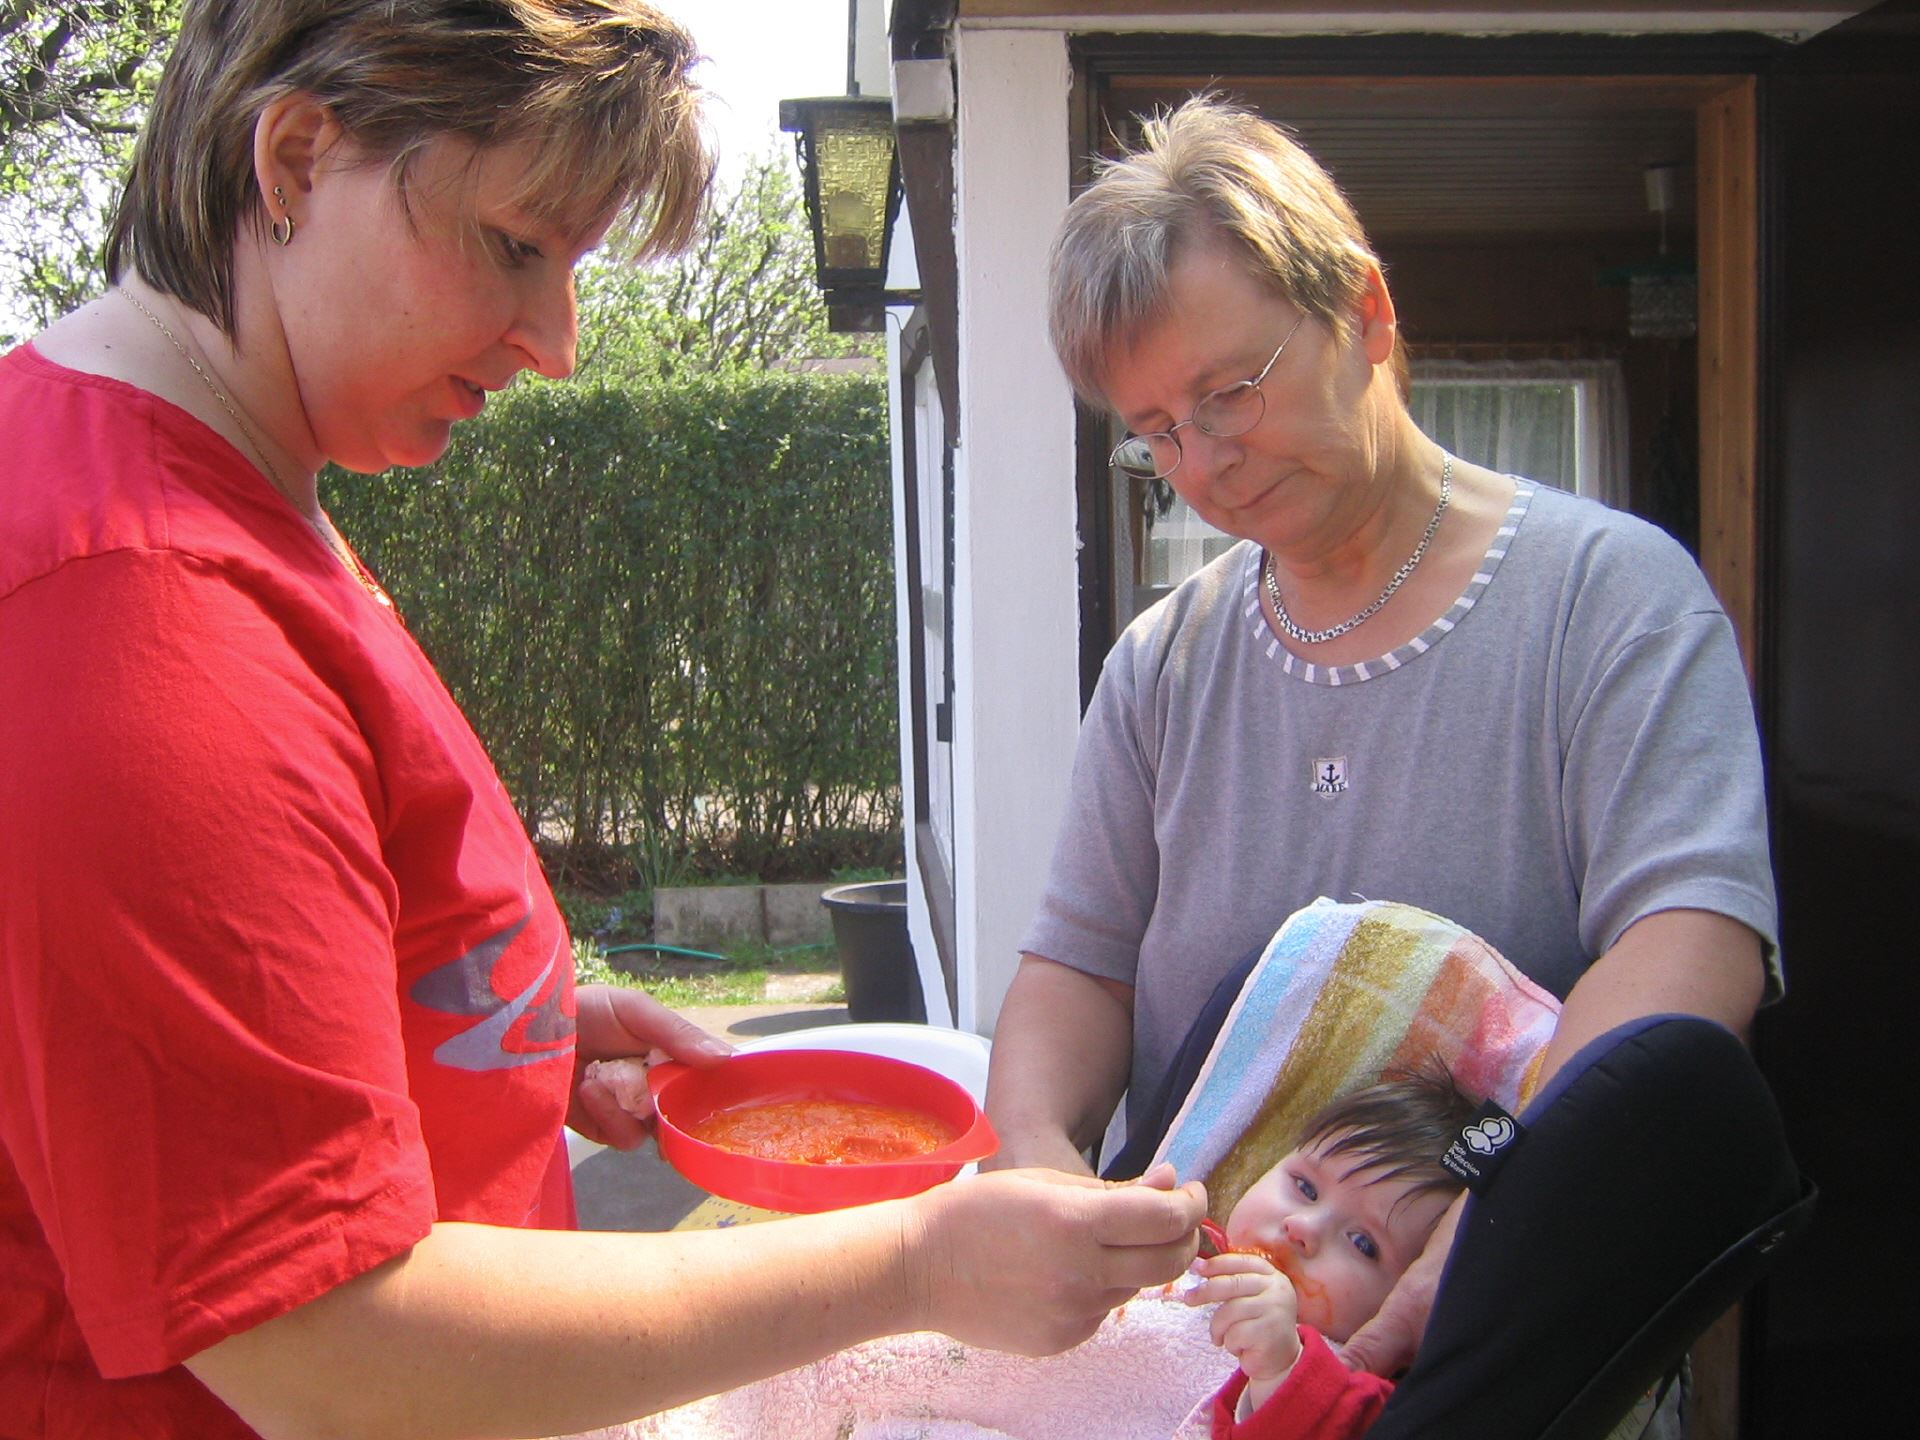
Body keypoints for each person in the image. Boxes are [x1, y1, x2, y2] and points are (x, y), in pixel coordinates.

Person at [0, 6, 1207, 1439]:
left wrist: (493, 1035)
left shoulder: (234, 492)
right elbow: (327, 1352)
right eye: (518, 245)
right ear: (298, 159)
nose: (560, 345)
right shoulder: (134, 606)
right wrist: (915, 1265)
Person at [982, 92, 1778, 1380]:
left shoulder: (1610, 601)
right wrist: (1039, 1164)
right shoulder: (1165, 664)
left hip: (1507, 1355)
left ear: (1364, 312)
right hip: (1193, 1356)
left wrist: (1489, 1223)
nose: (1205, 464)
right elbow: (1079, 967)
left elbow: (1691, 947)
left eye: (1229, 394)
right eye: (1158, 433)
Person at [1183, 1069, 1476, 1439]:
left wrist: (1281, 1374)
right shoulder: (1176, 1258)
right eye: (1305, 1188)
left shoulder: (1361, 1405)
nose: (1303, 1228)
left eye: (1362, 1243)